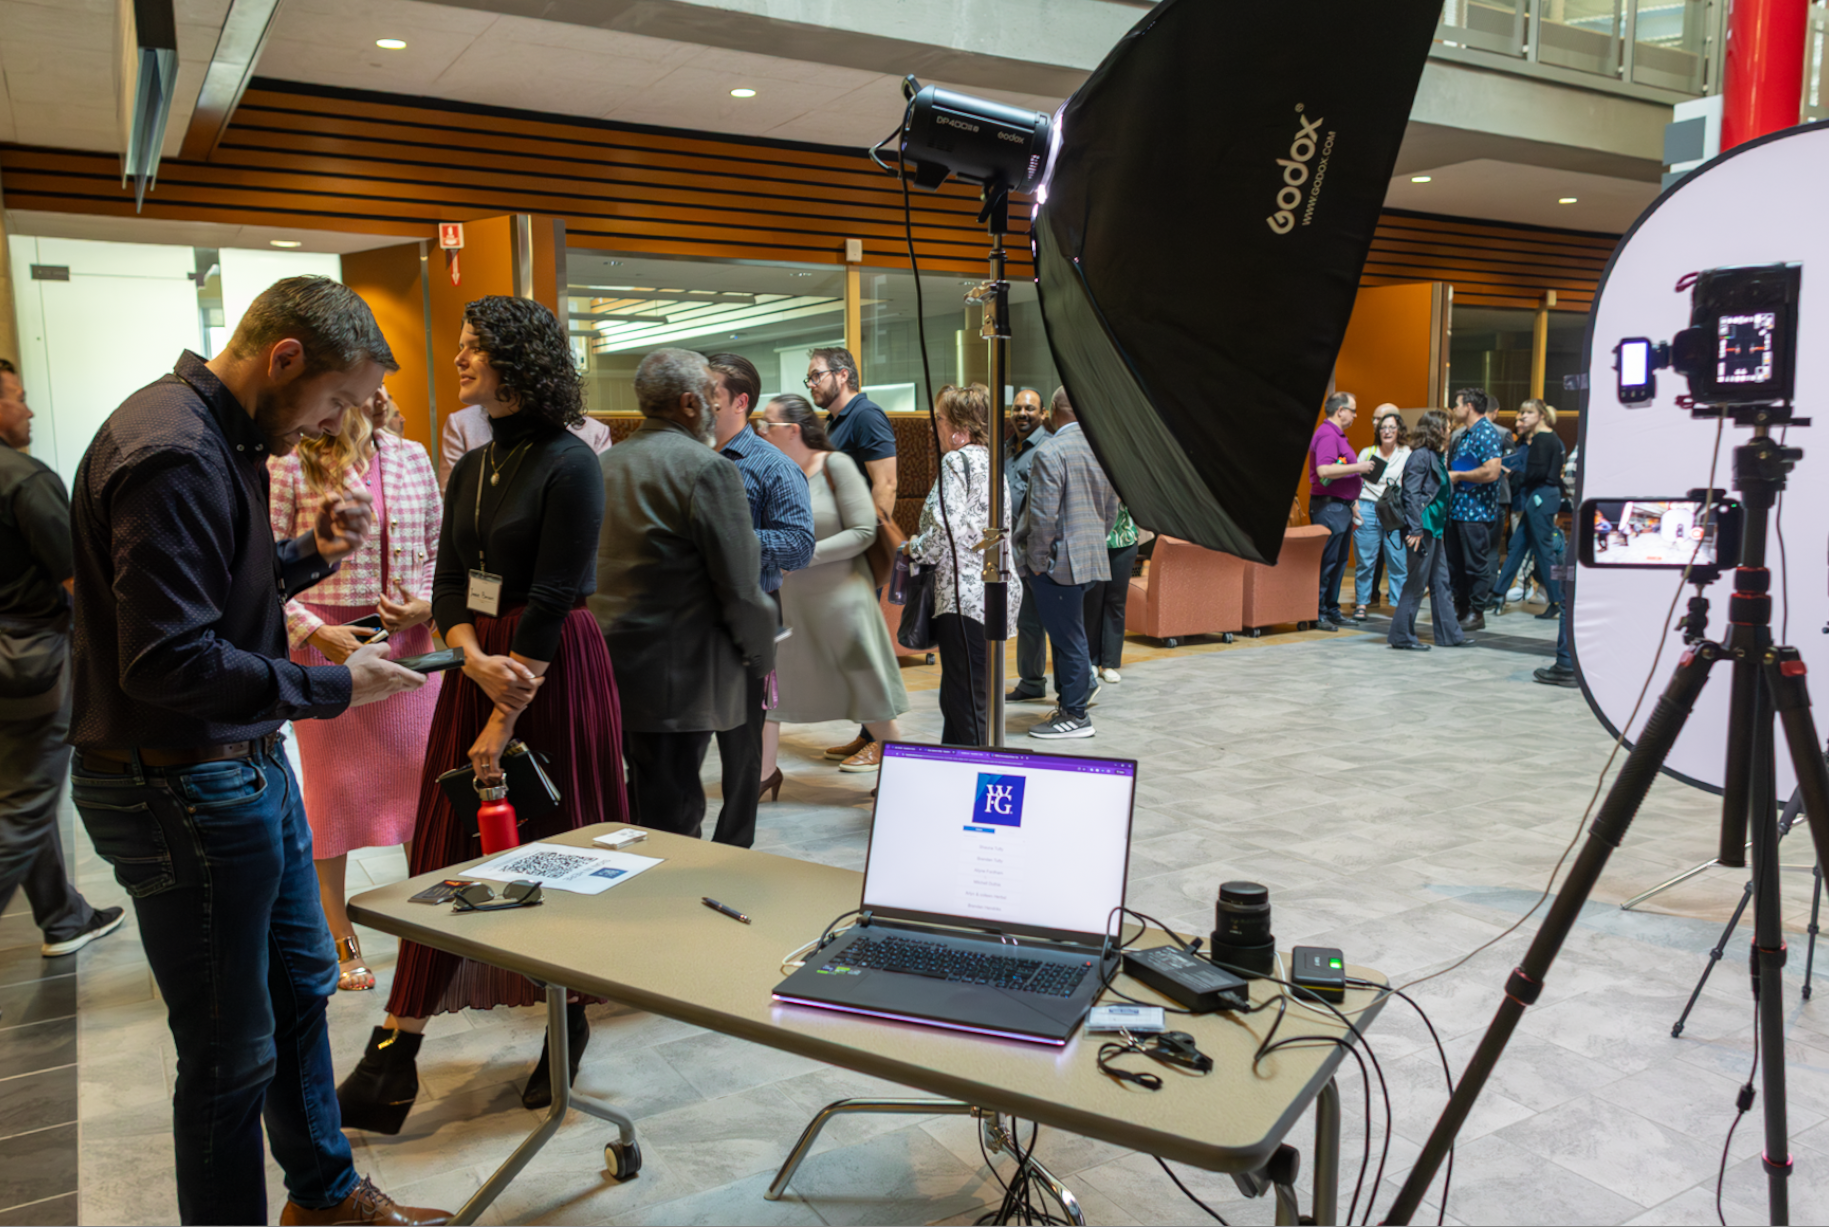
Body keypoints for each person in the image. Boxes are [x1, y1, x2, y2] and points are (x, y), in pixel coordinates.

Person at [65, 277, 441, 1226]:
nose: (335, 422)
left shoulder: (216, 434)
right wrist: (333, 685)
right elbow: (169, 662)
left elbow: (216, 586)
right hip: (179, 784)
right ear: (282, 359)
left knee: (301, 989)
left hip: (235, 764)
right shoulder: (175, 450)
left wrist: (309, 554)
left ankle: (322, 1195)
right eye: (335, 399)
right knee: (231, 1054)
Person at [339, 296, 632, 1132]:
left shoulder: (572, 463)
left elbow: (551, 597)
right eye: (462, 346)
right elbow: (445, 587)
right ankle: (397, 1047)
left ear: (515, 361)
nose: (459, 359)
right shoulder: (471, 465)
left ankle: (565, 1016)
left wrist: (502, 715)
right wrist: (469, 658)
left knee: (557, 850)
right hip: (483, 666)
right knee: (445, 853)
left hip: (551, 670)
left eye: (474, 349)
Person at [268, 388, 443, 992]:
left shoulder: (411, 454)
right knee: (333, 798)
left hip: (409, 644)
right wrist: (318, 634)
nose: (380, 390)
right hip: (328, 649)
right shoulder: (287, 463)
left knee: (423, 785)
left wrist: (422, 602)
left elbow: (436, 543)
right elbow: (263, 573)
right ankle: (338, 933)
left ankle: (432, 924)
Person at [592, 349, 777, 841]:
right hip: (681, 675)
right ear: (691, 403)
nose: (717, 411)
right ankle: (670, 910)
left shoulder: (604, 464)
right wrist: (762, 655)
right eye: (713, 400)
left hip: (609, 666)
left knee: (641, 799)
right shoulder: (708, 469)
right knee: (674, 817)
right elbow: (740, 588)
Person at [0, 359, 124, 963]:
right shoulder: (24, 479)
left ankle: (62, 916)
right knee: (23, 803)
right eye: (17, 399)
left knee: (20, 790)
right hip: (30, 660)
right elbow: (80, 580)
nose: (28, 411)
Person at [757, 394, 910, 771]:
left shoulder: (835, 465)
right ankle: (762, 776)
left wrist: (802, 556)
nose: (761, 431)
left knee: (870, 700)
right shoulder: (779, 473)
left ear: (793, 429)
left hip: (843, 607)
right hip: (795, 608)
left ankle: (903, 776)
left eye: (768, 424)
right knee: (773, 698)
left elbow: (862, 532)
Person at [705, 353, 813, 842]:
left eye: (711, 393)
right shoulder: (689, 456)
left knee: (741, 747)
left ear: (739, 402)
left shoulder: (773, 466)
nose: (699, 403)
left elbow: (798, 544)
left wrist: (731, 543)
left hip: (749, 621)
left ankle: (734, 847)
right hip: (689, 620)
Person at [905, 384, 1018, 746]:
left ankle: (978, 782)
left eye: (938, 418)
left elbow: (944, 531)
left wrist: (914, 548)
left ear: (959, 427)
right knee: (963, 694)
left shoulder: (957, 461)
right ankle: (952, 771)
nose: (933, 426)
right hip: (993, 592)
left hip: (962, 596)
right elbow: (990, 532)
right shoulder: (992, 461)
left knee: (968, 702)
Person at [805, 347, 896, 763]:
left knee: (861, 651)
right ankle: (868, 732)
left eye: (816, 376)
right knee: (851, 650)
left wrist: (871, 551)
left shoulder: (866, 415)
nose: (811, 385)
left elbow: (887, 484)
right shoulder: (835, 421)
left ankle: (884, 740)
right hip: (839, 553)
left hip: (859, 551)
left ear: (842, 376)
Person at [1013, 386, 1119, 740]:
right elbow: (1111, 511)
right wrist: (1091, 542)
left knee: (1068, 639)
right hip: (1089, 559)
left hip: (1056, 564)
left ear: (1054, 410)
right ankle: (1069, 707)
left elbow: (1043, 518)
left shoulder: (1051, 450)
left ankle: (1075, 715)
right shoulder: (1101, 450)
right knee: (1071, 636)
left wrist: (1038, 562)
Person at [1387, 409, 1466, 651]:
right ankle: (1401, 636)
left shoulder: (1434, 455)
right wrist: (1416, 529)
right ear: (1436, 429)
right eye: (1446, 425)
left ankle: (1449, 635)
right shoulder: (1420, 456)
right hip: (1423, 528)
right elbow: (1410, 494)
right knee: (1416, 582)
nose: (1450, 429)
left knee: (1441, 581)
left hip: (1436, 528)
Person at [437, 389, 611, 492]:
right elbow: (453, 498)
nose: (460, 359)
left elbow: (599, 503)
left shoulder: (594, 432)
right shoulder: (462, 424)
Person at [1492, 399, 1567, 619]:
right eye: (1522, 412)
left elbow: (1538, 474)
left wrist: (1512, 472)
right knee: (1518, 545)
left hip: (1541, 497)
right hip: (1540, 497)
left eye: (1529, 412)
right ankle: (1499, 593)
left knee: (1544, 550)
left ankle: (1556, 600)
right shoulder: (1546, 439)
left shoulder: (1543, 439)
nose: (1523, 416)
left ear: (1541, 415)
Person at [1307, 392, 1374, 630]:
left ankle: (1331, 609)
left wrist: (1353, 504)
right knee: (1328, 561)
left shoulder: (1337, 435)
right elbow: (1324, 470)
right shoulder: (1327, 434)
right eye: (1353, 410)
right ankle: (1318, 613)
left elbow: (1342, 474)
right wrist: (1361, 466)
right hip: (1329, 506)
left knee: (1339, 562)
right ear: (1340, 411)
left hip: (1341, 507)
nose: (1356, 415)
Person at [1004, 388, 1055, 702]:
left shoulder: (1047, 450)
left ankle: (1082, 683)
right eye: (1017, 408)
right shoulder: (1008, 448)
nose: (1023, 413)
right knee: (1028, 622)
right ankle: (1032, 682)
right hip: (1013, 552)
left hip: (1040, 552)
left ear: (1044, 413)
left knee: (1056, 624)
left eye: (1030, 408)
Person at [1444, 387, 1504, 632]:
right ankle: (1461, 609)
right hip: (1458, 510)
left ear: (1468, 405)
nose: (1454, 409)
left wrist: (1458, 474)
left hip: (1475, 512)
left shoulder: (1486, 432)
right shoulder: (1466, 434)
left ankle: (1477, 613)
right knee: (1456, 565)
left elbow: (1492, 471)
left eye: (1457, 404)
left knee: (1475, 565)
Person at [1350, 407, 1410, 620]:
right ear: (1378, 431)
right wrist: (1354, 505)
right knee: (1366, 561)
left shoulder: (1407, 453)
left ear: (1398, 430)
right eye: (1383, 427)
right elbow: (1354, 481)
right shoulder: (1368, 452)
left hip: (1394, 511)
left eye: (1391, 427)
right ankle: (1362, 605)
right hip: (1367, 508)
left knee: (1397, 560)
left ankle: (1399, 607)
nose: (1387, 431)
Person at [1083, 502, 1139, 684]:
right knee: (1092, 601)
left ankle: (1110, 663)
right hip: (1093, 540)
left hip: (1124, 539)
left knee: (1116, 601)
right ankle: (1090, 660)